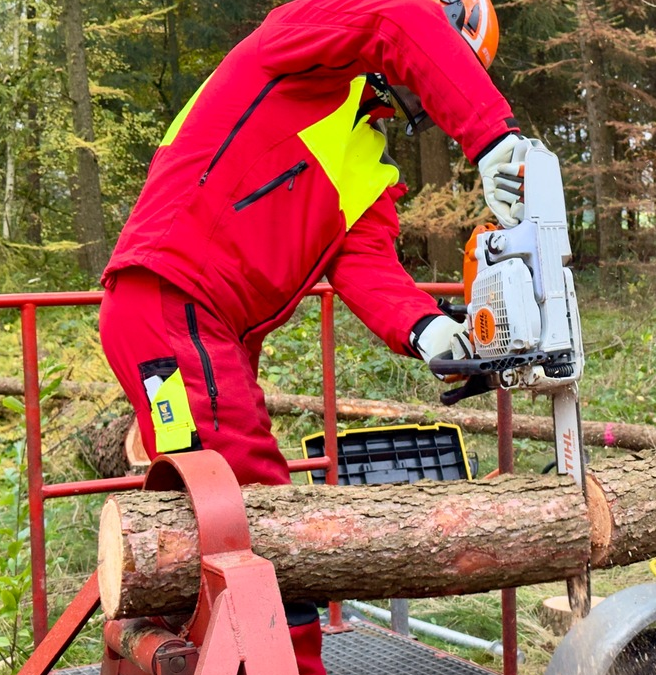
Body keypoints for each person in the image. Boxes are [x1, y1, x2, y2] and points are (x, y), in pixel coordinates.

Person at [97, 0, 525, 672]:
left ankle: (201, 643)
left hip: (208, 333)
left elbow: (368, 265)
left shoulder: (365, 162)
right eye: (446, 67)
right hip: (167, 302)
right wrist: (493, 135)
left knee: (208, 515)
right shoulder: (299, 43)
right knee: (255, 507)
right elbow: (396, 18)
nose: (426, 92)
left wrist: (430, 331)